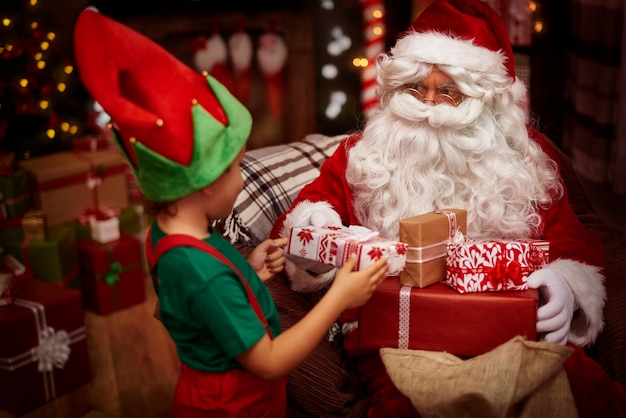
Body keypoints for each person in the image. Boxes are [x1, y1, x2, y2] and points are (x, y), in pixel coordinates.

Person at [270, 0, 626, 416]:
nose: (429, 107)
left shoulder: (525, 158)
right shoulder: (361, 154)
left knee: (578, 392)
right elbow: (309, 210)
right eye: (415, 89)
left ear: (486, 102)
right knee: (412, 405)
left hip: (512, 328)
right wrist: (318, 229)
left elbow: (573, 237)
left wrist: (566, 285)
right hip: (399, 338)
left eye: (449, 92)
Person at [72, 8, 388, 417]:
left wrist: (249, 270)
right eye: (236, 167)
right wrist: (340, 297)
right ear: (204, 183)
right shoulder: (205, 275)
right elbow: (269, 361)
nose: (243, 179)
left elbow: (204, 308)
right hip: (236, 407)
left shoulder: (170, 235)